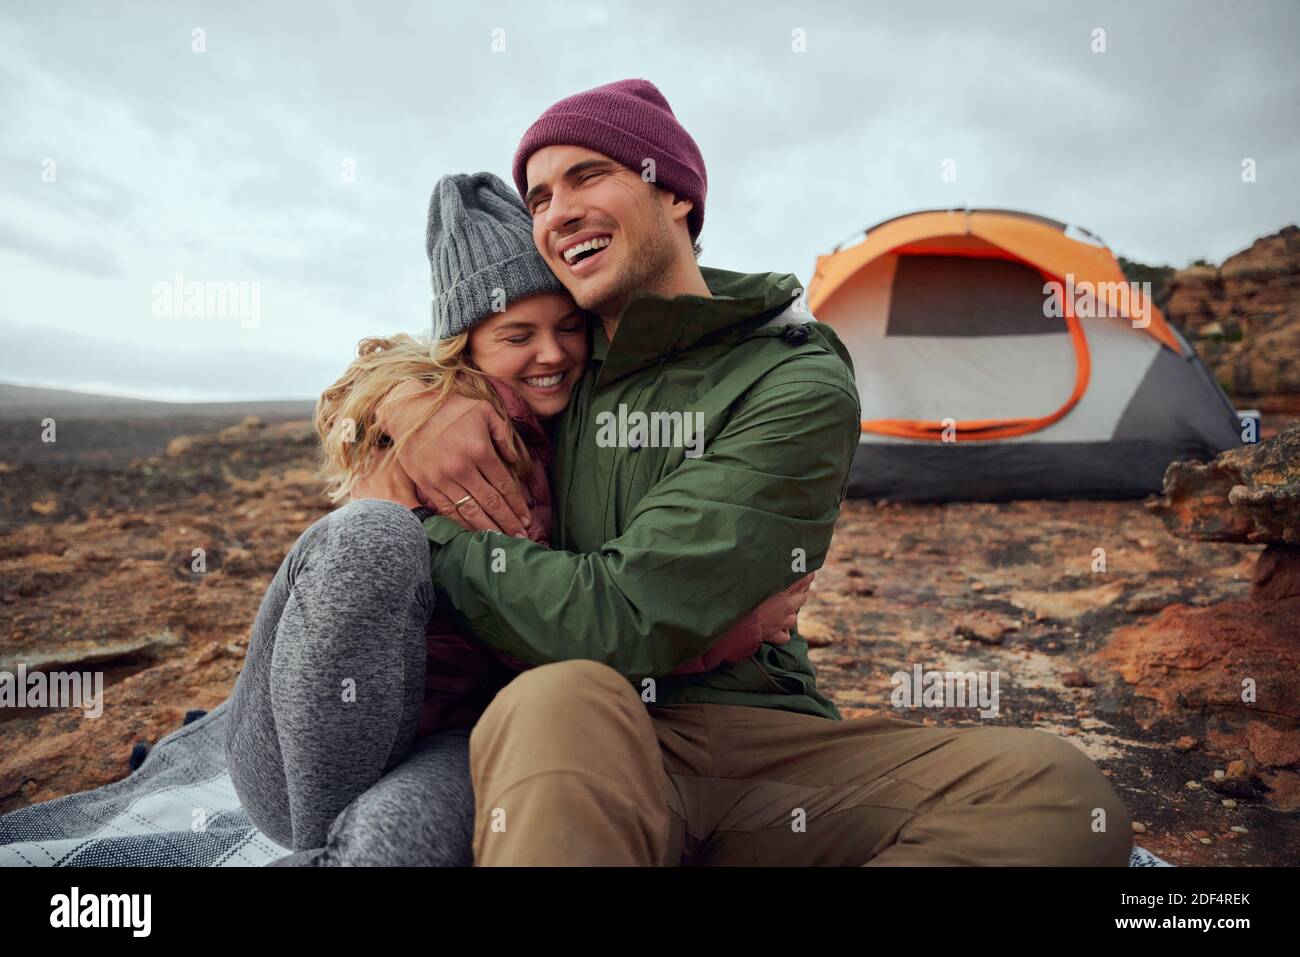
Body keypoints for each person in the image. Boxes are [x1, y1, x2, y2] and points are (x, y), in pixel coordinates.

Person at [374, 78, 1136, 865]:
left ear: (673, 192)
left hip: (765, 744)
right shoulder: (555, 364)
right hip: (589, 738)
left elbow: (627, 615)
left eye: (588, 175)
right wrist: (402, 407)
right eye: (538, 197)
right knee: (559, 694)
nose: (556, 211)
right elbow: (421, 369)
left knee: (1057, 793)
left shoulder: (791, 380)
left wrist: (418, 532)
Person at [224, 172, 810, 865]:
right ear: (465, 343)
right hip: (299, 756)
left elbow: (597, 594)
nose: (553, 353)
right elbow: (542, 619)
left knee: (395, 843)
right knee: (372, 536)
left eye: (568, 328)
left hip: (462, 736)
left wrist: (717, 591)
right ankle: (326, 834)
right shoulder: (437, 427)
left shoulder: (585, 425)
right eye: (516, 334)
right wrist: (718, 632)